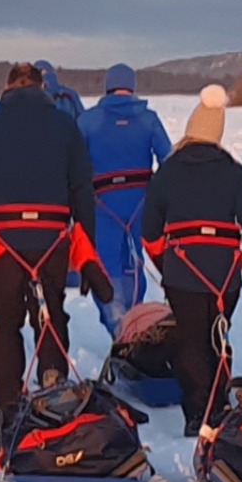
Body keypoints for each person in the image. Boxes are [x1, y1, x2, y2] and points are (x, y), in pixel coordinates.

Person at [0, 63, 115, 432]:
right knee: (52, 313)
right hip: (53, 237)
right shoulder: (66, 126)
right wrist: (87, 252)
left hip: (3, 239)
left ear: (8, 88)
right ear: (40, 87)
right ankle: (53, 386)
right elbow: (82, 188)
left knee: (6, 321)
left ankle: (8, 404)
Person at [142, 85, 242, 436]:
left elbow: (150, 231)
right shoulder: (235, 172)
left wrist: (166, 264)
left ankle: (197, 413)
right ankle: (218, 405)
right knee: (217, 336)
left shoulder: (169, 171)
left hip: (183, 271)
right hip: (225, 274)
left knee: (190, 340)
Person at [78, 64, 172, 333]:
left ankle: (117, 326)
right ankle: (136, 320)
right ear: (132, 87)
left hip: (102, 204)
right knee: (135, 261)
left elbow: (75, 164)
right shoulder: (149, 119)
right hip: (141, 202)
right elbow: (168, 160)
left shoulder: (88, 120)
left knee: (108, 264)